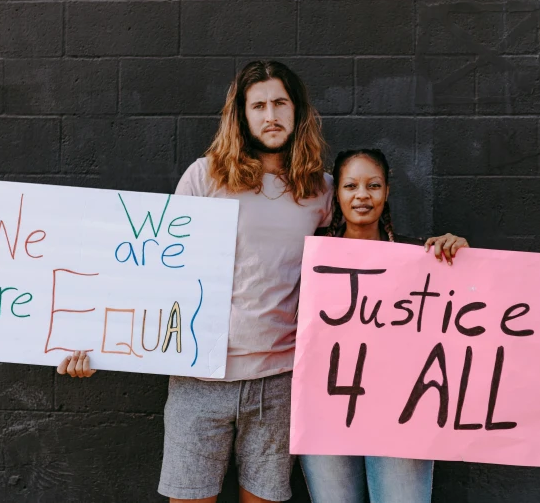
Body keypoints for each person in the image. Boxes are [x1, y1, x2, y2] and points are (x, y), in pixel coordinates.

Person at [58, 60, 334, 503]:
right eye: (258, 105)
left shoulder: (320, 190)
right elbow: (153, 269)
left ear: (298, 111)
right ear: (241, 115)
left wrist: (439, 250)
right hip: (198, 378)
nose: (270, 115)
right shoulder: (205, 177)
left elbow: (371, 252)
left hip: (279, 380)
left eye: (280, 103)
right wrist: (88, 339)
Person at [300, 148, 469, 503]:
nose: (362, 195)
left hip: (401, 415)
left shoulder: (419, 257)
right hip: (328, 413)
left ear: (387, 192)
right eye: (351, 186)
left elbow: (466, 314)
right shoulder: (311, 258)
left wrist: (461, 259)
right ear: (337, 194)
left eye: (373, 185)